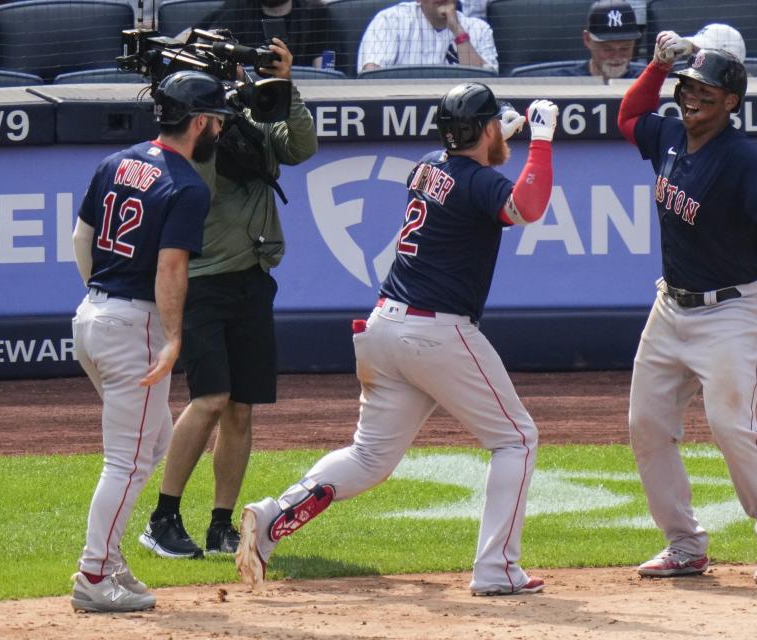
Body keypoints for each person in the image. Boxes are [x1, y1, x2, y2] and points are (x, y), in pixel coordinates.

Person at [235, 82, 559, 596]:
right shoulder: (478, 184)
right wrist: (540, 140)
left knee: (368, 459)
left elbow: (470, 162)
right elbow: (525, 206)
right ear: (483, 130)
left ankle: (271, 515)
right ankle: (496, 569)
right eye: (497, 124)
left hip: (385, 328)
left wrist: (501, 129)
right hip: (436, 333)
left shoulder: (428, 164)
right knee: (515, 439)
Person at [617, 34, 757, 584]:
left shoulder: (742, 156)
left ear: (730, 101)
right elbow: (630, 115)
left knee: (730, 425)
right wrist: (659, 66)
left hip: (734, 312)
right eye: (687, 88)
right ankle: (684, 545)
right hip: (671, 308)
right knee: (646, 426)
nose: (690, 98)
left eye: (704, 91)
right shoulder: (668, 136)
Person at [138, 39, 317, 559]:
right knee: (210, 399)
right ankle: (163, 517)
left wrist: (285, 87)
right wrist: (223, 119)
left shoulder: (253, 117)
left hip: (252, 277)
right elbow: (205, 180)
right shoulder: (193, 132)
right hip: (203, 282)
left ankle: (220, 524)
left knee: (241, 408)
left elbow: (300, 147)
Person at [69, 70, 233, 612]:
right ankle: (94, 574)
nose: (220, 130)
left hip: (92, 314)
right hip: (129, 324)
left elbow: (81, 237)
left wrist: (103, 297)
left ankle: (110, 560)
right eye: (217, 120)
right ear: (201, 121)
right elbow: (170, 267)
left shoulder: (117, 161)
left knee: (156, 441)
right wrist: (172, 337)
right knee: (129, 461)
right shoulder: (184, 184)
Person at [357, 0, 498, 74]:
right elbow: (371, 74)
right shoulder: (390, 20)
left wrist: (458, 31)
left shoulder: (479, 29)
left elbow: (483, 84)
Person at [201, 0, 329, 69]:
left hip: (303, 93)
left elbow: (325, 70)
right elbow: (206, 44)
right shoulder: (236, 8)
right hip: (247, 94)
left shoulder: (315, 13)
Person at [553, 0, 643, 81]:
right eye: (608, 49)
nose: (617, 57)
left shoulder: (648, 83)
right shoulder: (564, 82)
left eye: (625, 48)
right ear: (587, 39)